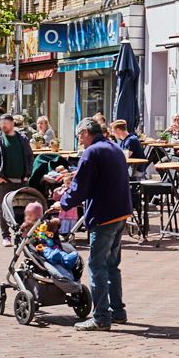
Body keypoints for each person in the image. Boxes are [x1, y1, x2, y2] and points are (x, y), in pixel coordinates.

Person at [55, 118, 135, 331]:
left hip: (104, 215)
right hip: (120, 213)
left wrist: (62, 203)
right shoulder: (113, 147)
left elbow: (80, 187)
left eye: (78, 135)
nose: (79, 140)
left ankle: (101, 317)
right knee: (111, 266)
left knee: (97, 266)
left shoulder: (92, 152)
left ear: (86, 132)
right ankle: (117, 311)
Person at [0, 113, 34, 246]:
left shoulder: (22, 138)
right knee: (4, 208)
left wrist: (27, 174)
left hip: (21, 180)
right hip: (4, 181)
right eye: (1, 123)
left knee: (22, 207)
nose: (3, 125)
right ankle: (6, 236)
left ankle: (20, 234)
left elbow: (30, 157)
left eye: (6, 122)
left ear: (13, 124)